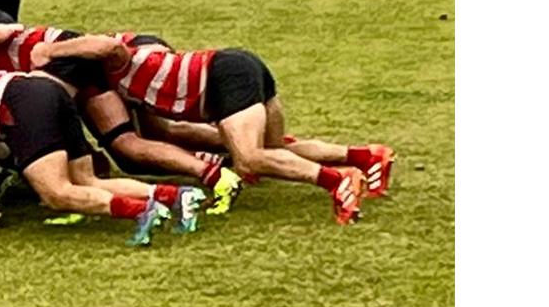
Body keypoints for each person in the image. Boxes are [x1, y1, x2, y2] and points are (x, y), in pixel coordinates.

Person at [0, 24, 205, 245]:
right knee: (86, 180)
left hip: (22, 108)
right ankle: (175, 197)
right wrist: (12, 29)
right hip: (43, 88)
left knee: (55, 192)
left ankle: (142, 212)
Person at [32, 32, 396, 225]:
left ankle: (338, 181)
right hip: (237, 66)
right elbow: (159, 135)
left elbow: (107, 44)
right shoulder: (128, 85)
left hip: (226, 75)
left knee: (250, 160)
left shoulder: (120, 58)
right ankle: (366, 157)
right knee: (275, 151)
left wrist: (50, 51)